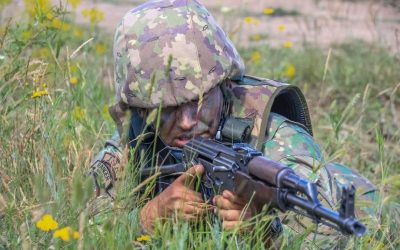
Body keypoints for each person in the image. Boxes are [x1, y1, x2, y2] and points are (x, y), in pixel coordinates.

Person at [88, 0, 376, 247]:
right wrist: (146, 219)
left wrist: (267, 236)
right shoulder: (137, 135)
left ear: (223, 84)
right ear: (140, 108)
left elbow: (335, 233)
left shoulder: (277, 139)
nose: (188, 122)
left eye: (201, 101)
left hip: (362, 204)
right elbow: (86, 224)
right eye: (167, 110)